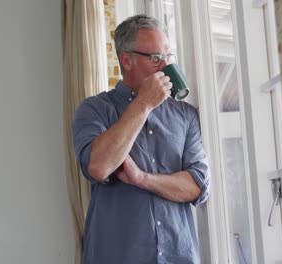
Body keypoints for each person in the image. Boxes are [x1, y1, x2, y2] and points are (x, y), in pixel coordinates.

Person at [72, 14, 210, 264]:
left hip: (178, 257)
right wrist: (144, 103)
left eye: (169, 57)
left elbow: (197, 186)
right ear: (127, 60)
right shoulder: (94, 109)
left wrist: (142, 179)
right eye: (156, 58)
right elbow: (99, 166)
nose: (166, 67)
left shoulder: (186, 116)